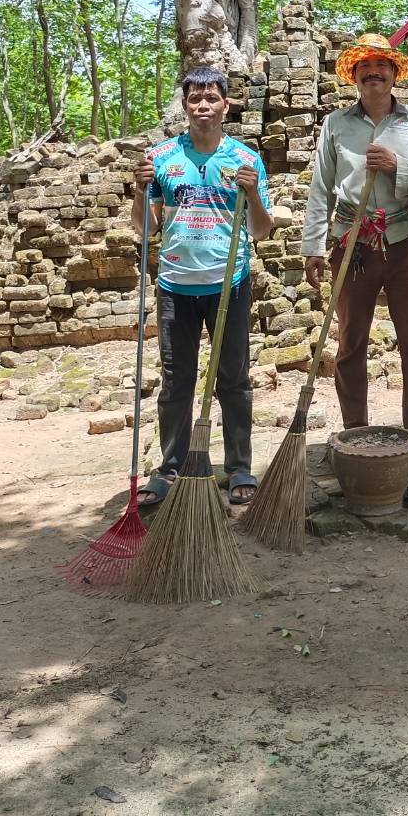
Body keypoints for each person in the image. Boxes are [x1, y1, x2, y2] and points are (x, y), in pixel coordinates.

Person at [301, 33, 408, 466]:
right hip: (353, 243)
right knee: (350, 341)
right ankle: (355, 430)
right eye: (364, 67)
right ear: (355, 76)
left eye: (381, 65)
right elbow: (320, 190)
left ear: (394, 72)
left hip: (406, 240)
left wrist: (397, 168)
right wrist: (313, 246)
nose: (373, 72)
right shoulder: (336, 124)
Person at [132, 66, 273, 507]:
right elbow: (143, 230)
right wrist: (139, 191)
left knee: (233, 379)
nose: (203, 106)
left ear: (226, 104)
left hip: (228, 282)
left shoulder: (245, 160)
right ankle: (170, 469)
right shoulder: (161, 159)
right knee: (176, 381)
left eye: (212, 98)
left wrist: (250, 194)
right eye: (195, 99)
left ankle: (238, 468)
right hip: (175, 284)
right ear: (185, 105)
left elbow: (263, 231)